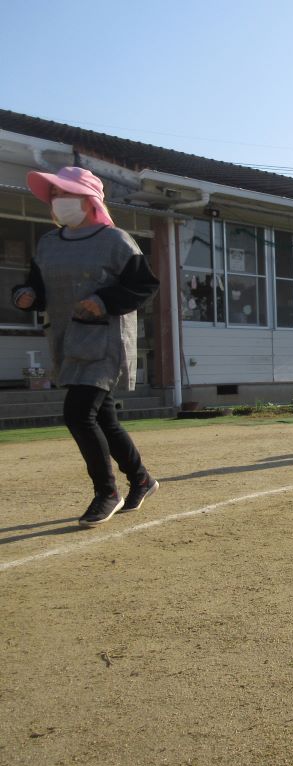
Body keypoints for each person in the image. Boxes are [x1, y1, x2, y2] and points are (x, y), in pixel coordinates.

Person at [12, 167, 160, 527]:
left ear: (89, 200)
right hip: (65, 337)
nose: (60, 203)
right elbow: (35, 286)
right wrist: (25, 296)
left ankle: (107, 492)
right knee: (103, 418)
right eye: (56, 196)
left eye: (68, 195)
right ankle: (141, 479)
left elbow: (144, 285)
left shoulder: (116, 240)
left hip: (103, 341)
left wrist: (105, 300)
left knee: (78, 414)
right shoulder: (48, 243)